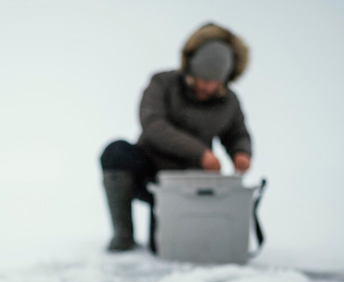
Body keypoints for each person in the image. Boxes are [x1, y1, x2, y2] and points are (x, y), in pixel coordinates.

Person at [100, 22, 252, 252]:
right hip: (149, 173)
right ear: (191, 68)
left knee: (164, 247)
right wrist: (200, 153)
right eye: (203, 78)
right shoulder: (162, 83)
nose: (208, 86)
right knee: (115, 152)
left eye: (214, 82)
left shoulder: (229, 102)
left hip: (188, 183)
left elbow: (237, 133)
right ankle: (123, 237)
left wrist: (242, 153)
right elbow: (152, 125)